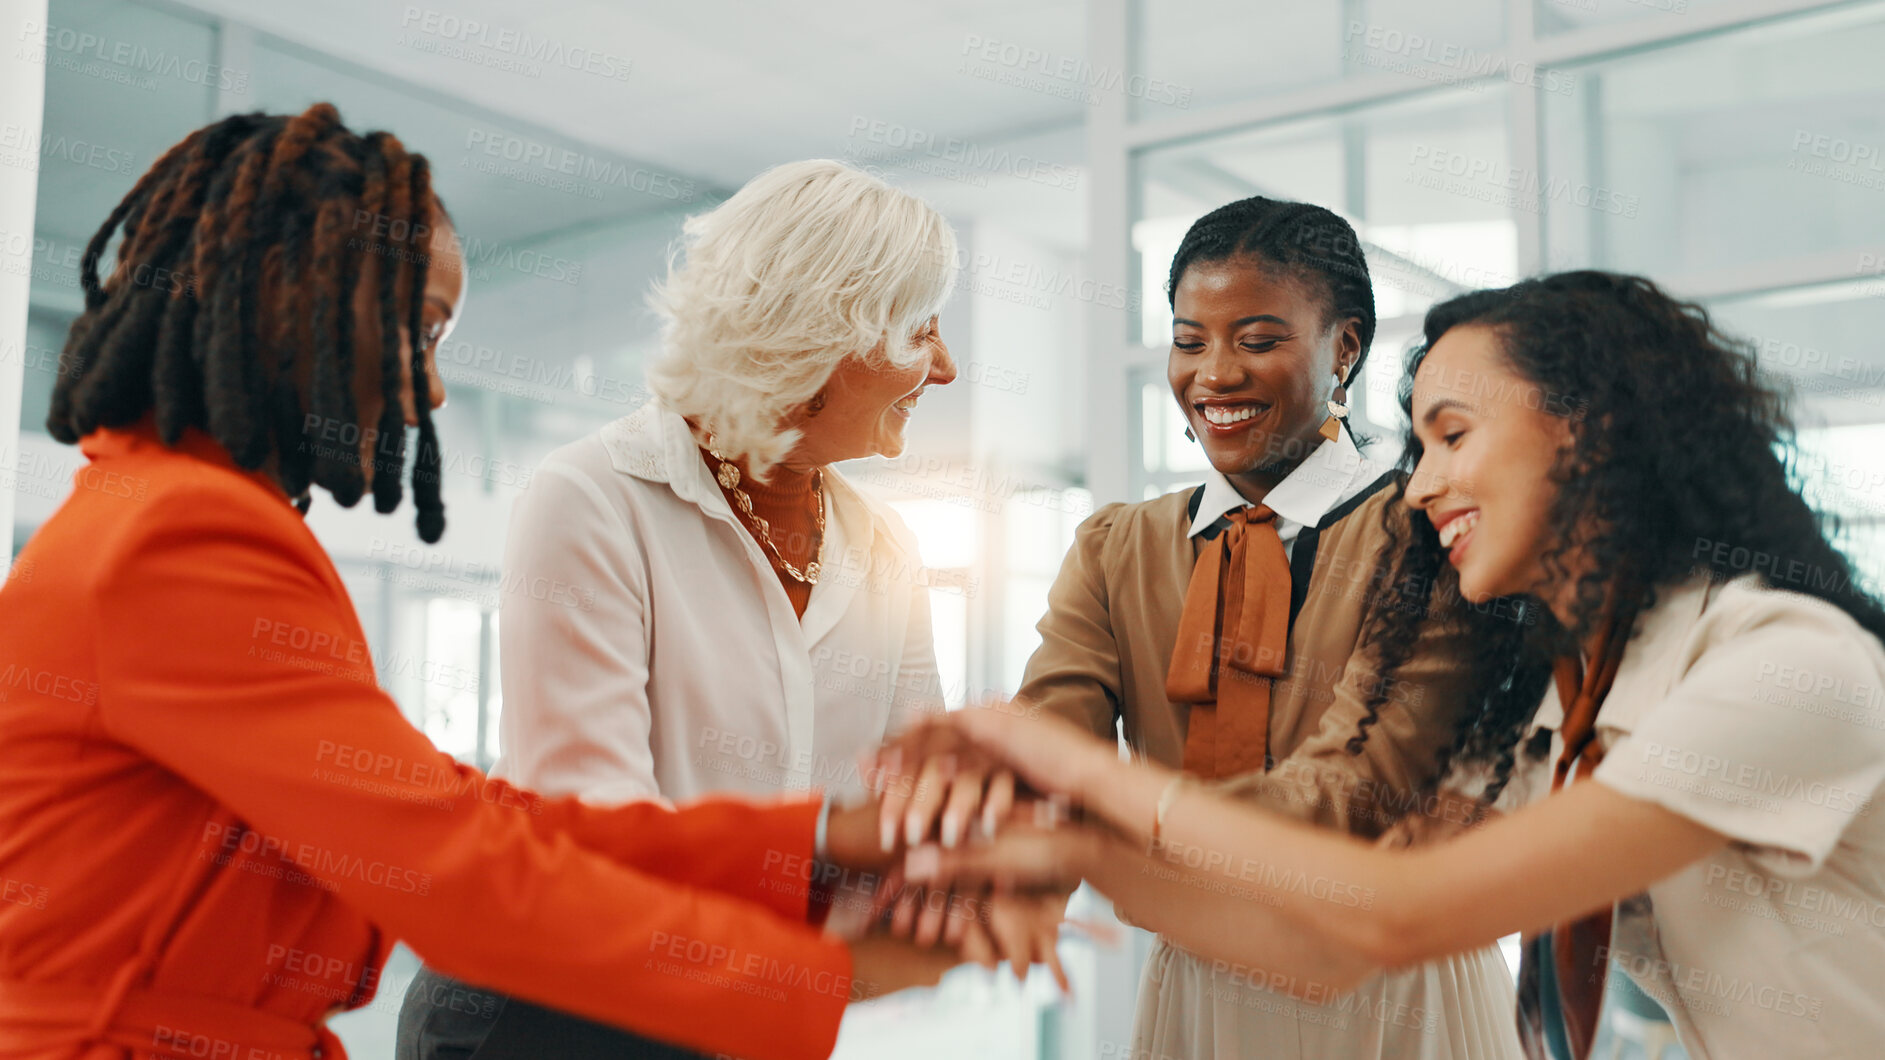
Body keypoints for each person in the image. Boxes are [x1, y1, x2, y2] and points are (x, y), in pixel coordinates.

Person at [0, 105, 979, 1060]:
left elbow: (475, 818)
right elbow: (459, 873)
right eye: (422, 333)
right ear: (291, 303)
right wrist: (835, 969)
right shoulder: (178, 539)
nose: (430, 390)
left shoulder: (171, 521)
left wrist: (831, 837)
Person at [900, 271, 1885, 1060]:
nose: (1419, 489)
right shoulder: (1551, 712)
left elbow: (1403, 916)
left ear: (1591, 426)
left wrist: (1087, 780)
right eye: (1415, 445)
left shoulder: (1787, 666)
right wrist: (1079, 856)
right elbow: (1322, 943)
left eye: (1453, 434)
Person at [399, 158, 1058, 1058]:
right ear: (817, 334)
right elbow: (593, 831)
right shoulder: (593, 498)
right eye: (921, 330)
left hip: (744, 1013)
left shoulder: (884, 547)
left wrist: (977, 851)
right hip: (552, 1018)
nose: (944, 368)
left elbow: (901, 806)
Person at [917, 195, 1516, 1059]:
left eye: (1258, 340)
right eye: (1189, 341)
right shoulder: (1116, 548)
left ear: (1342, 347)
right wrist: (994, 817)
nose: (1214, 375)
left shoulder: (1429, 534)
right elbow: (1048, 746)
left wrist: (1091, 820)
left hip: (1395, 995)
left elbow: (1352, 795)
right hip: (1196, 993)